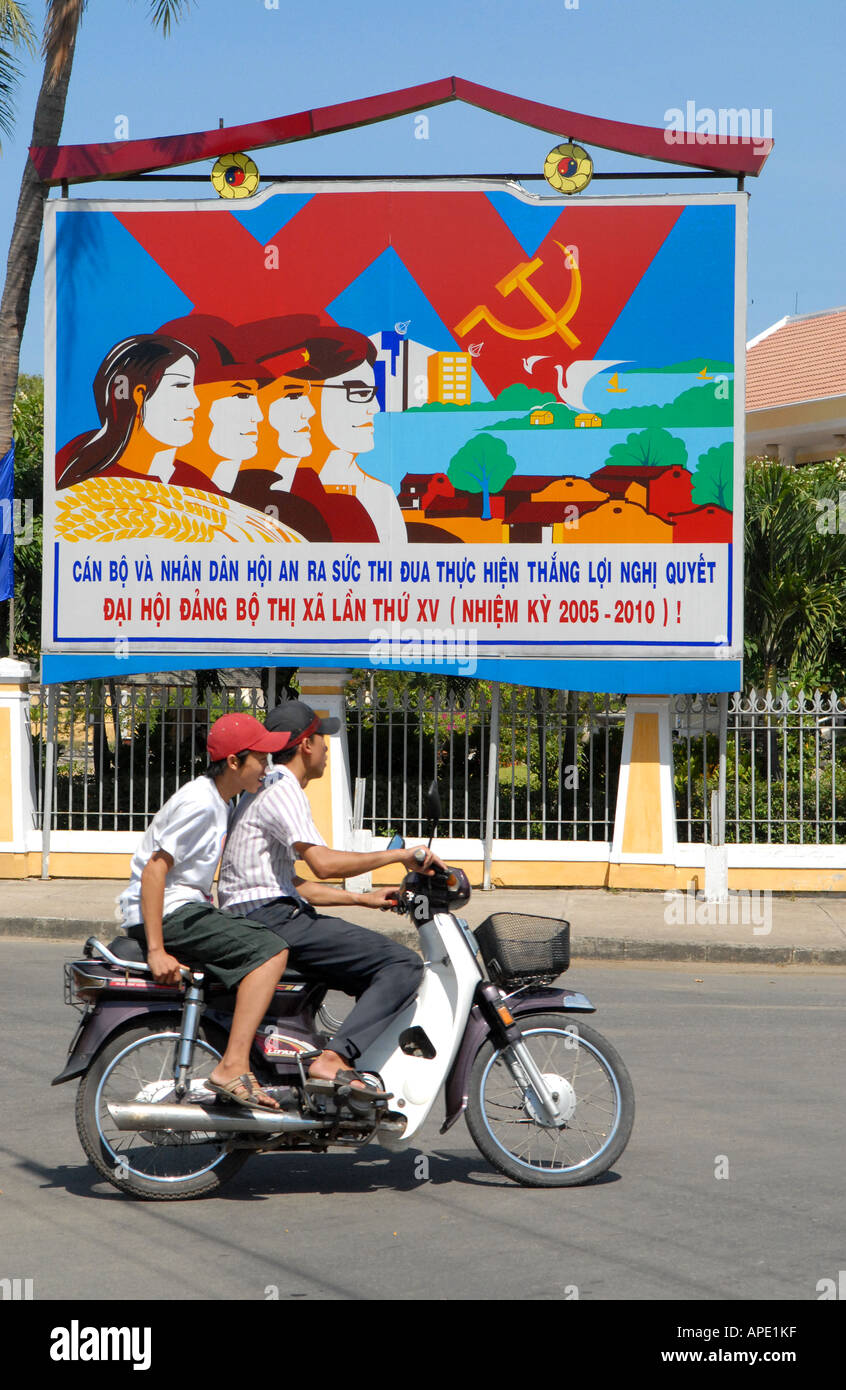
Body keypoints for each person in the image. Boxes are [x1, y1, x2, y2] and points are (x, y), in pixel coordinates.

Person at [218, 700, 440, 1094]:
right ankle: (334, 1058)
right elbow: (322, 864)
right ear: (306, 745)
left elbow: (290, 882)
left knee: (362, 959)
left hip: (262, 913)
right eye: (322, 740)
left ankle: (316, 1056)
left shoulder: (266, 787)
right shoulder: (284, 788)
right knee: (401, 964)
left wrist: (364, 899)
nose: (325, 749)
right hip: (272, 920)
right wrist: (402, 855)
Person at [119, 712, 293, 1110]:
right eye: (260, 759)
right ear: (234, 762)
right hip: (168, 914)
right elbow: (154, 870)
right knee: (270, 950)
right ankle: (232, 1066)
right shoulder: (200, 803)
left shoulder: (220, 799)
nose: (266, 767)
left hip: (181, 908)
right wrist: (156, 949)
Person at [56, 335, 214, 491]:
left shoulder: (202, 487)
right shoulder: (71, 466)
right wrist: (29, 516)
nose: (195, 402)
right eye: (180, 386)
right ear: (139, 394)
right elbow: (30, 504)